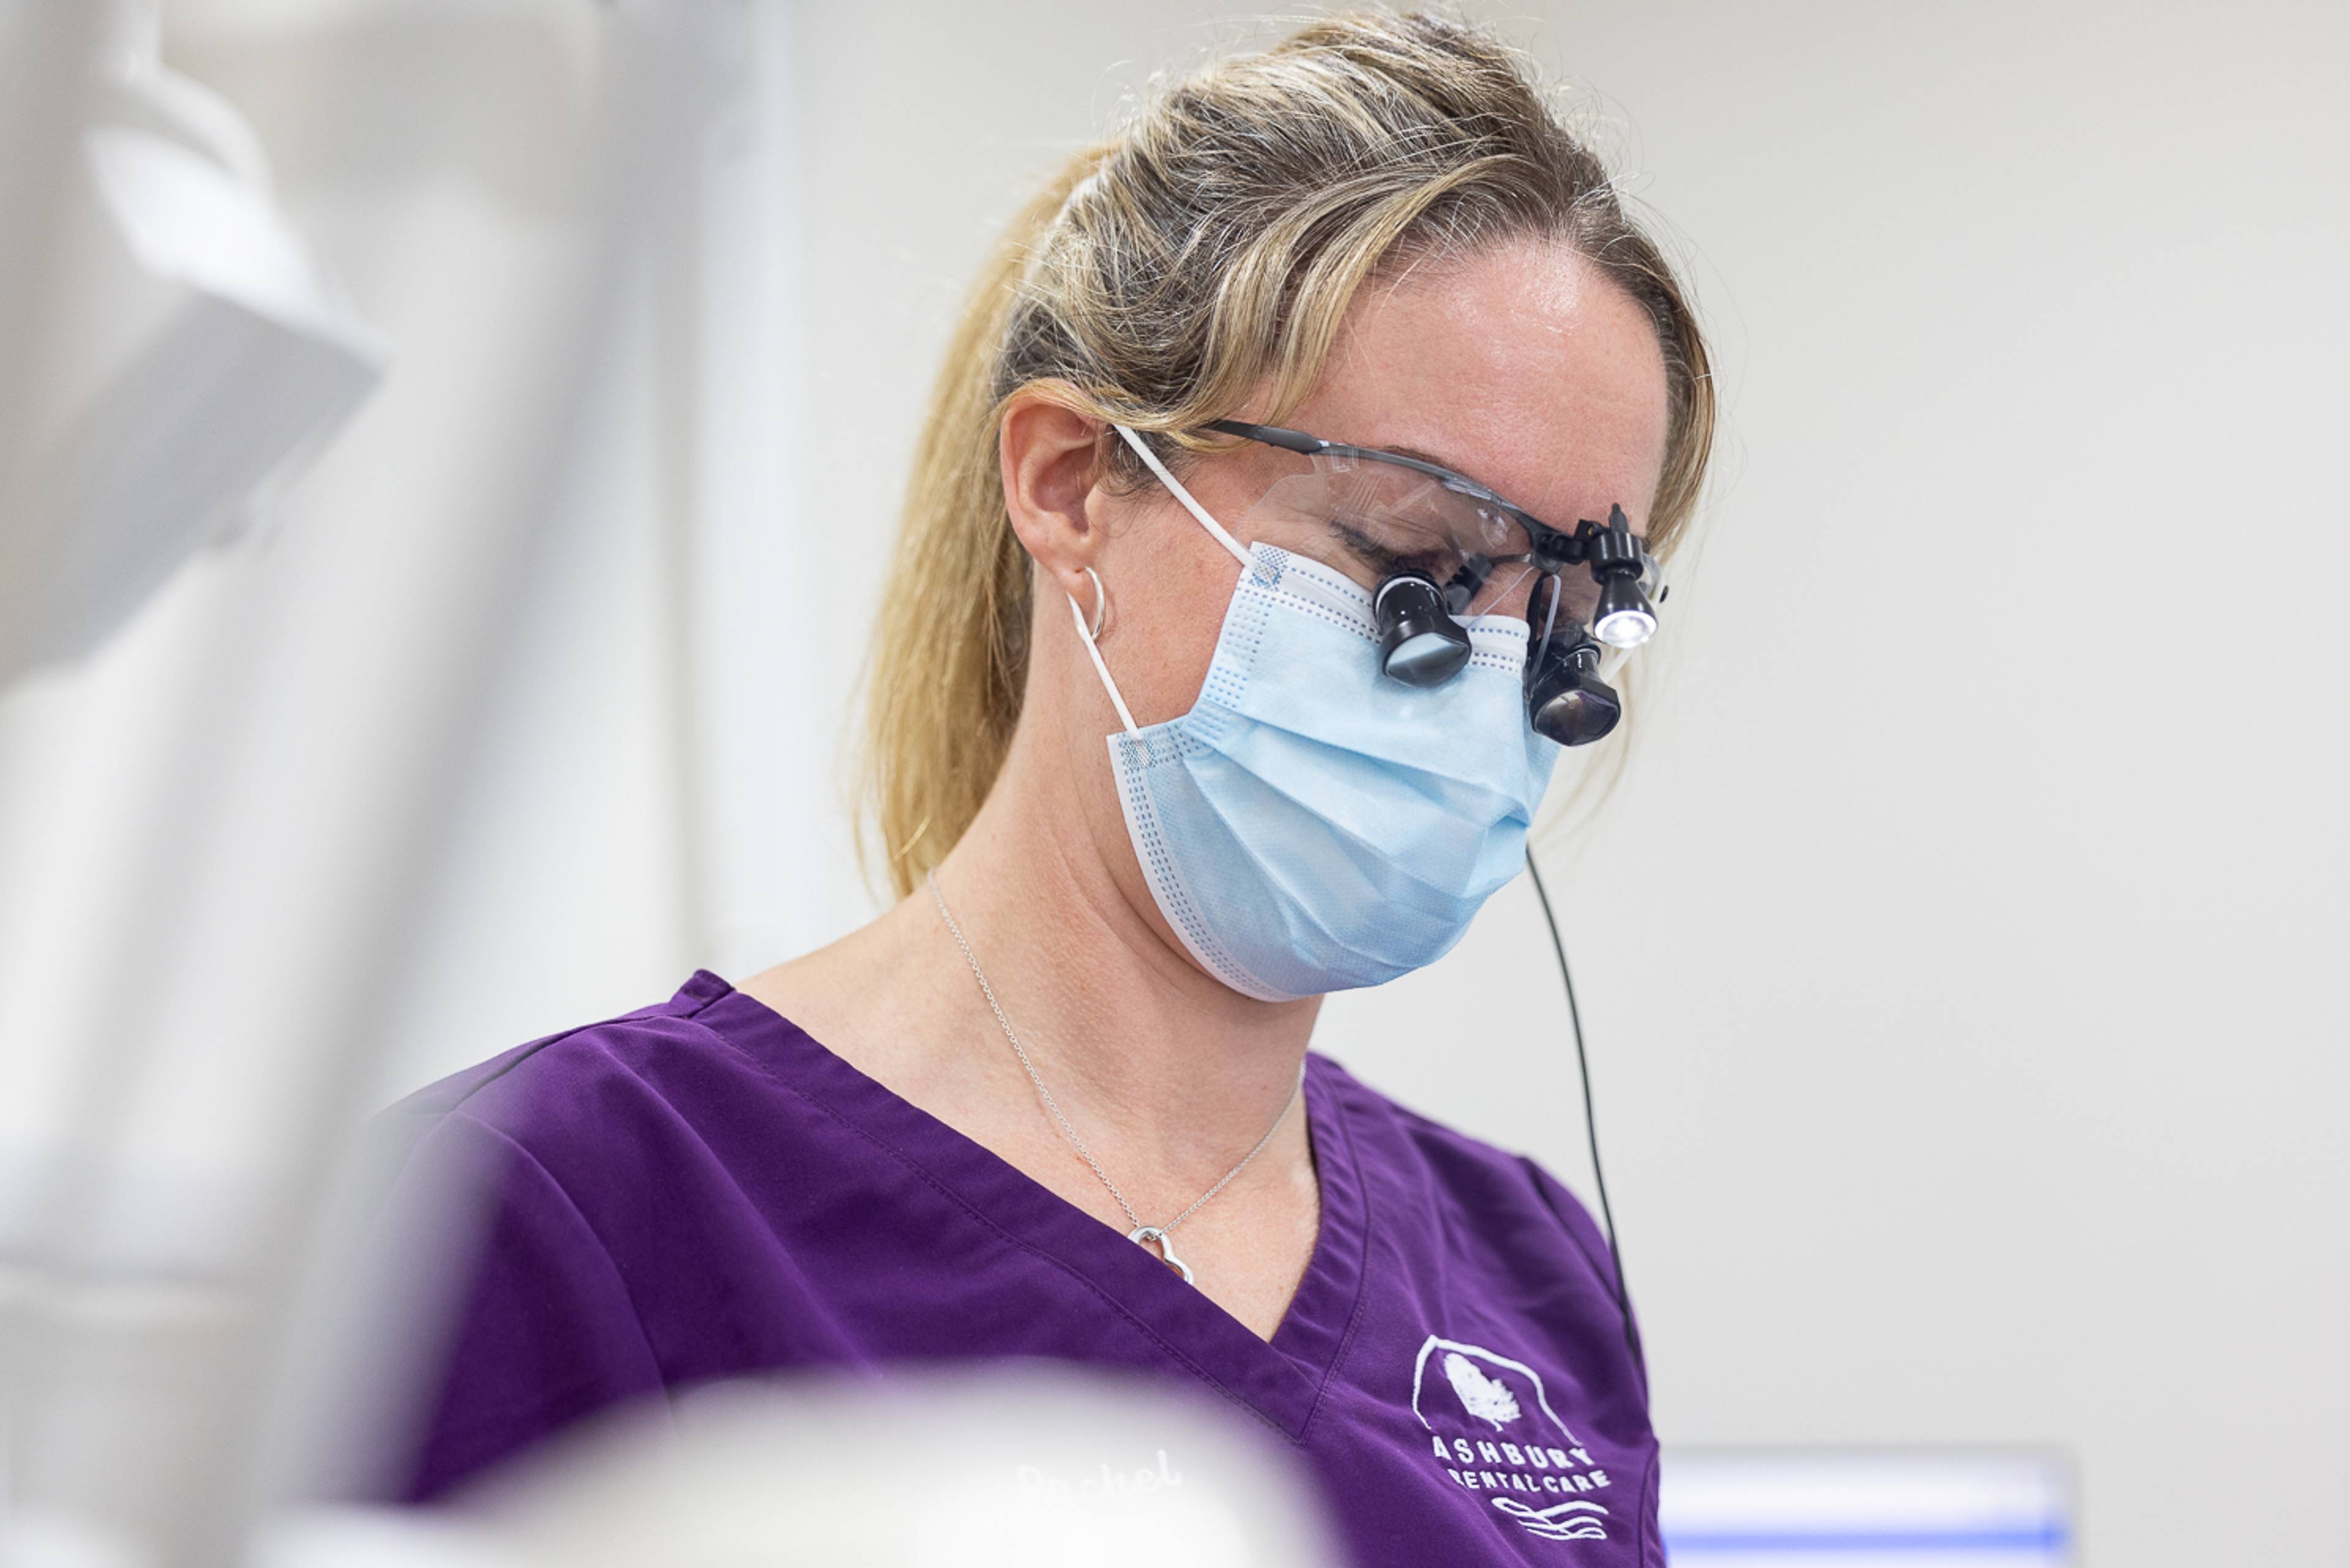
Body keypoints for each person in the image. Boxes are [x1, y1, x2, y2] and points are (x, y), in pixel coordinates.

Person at [376, 12, 1715, 1564]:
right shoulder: (564, 1206)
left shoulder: (1525, 1270)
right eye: (1418, 564)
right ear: (1074, 482)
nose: (1488, 680)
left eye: (1560, 613)